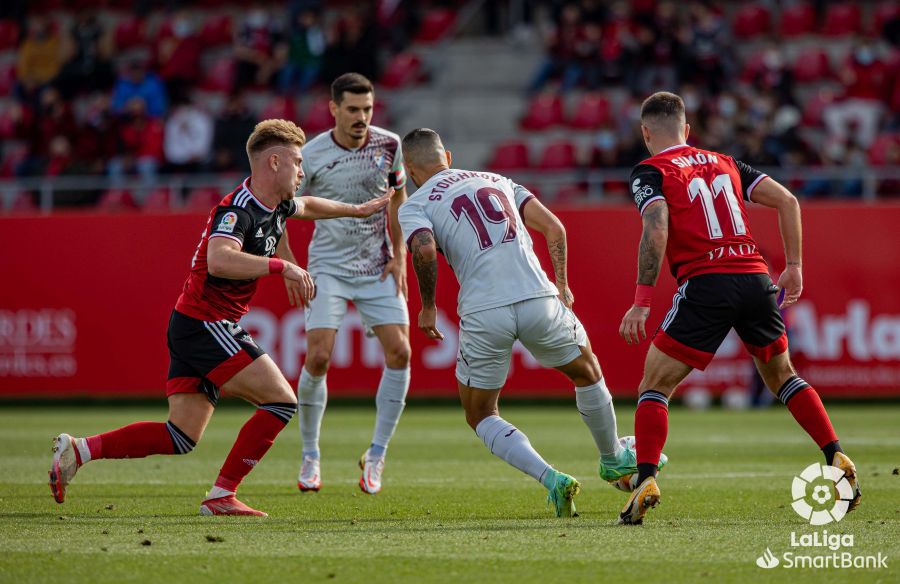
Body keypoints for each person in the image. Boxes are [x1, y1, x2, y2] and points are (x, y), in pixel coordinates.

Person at [49, 119, 391, 517]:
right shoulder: (237, 209)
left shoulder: (277, 203)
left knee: (180, 435)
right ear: (274, 162)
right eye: (298, 162)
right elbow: (220, 259)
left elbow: (309, 206)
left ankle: (80, 450)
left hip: (191, 323)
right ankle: (221, 495)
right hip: (206, 323)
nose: (303, 171)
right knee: (281, 401)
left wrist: (356, 209)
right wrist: (283, 267)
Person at [617, 92, 862, 525]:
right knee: (784, 376)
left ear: (645, 133)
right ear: (687, 130)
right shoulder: (726, 161)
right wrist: (796, 267)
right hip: (755, 279)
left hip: (706, 282)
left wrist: (641, 300)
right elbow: (788, 200)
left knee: (654, 386)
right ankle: (836, 456)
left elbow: (656, 228)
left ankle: (646, 480)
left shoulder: (650, 171)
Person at [398, 128, 660, 517]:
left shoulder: (414, 203)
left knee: (481, 414)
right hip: (539, 297)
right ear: (448, 157)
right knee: (587, 372)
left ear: (409, 169)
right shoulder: (498, 180)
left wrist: (428, 306)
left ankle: (552, 479)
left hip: (484, 310)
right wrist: (563, 285)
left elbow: (423, 248)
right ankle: (611, 458)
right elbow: (555, 227)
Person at [279, 73, 410, 495]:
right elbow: (280, 210)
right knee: (318, 357)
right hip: (328, 269)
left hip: (377, 266)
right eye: (352, 109)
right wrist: (287, 264)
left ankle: (377, 454)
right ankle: (310, 455)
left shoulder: (389, 145)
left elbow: (398, 200)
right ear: (333, 108)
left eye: (367, 109)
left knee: (401, 352)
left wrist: (400, 256)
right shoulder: (311, 155)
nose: (361, 118)